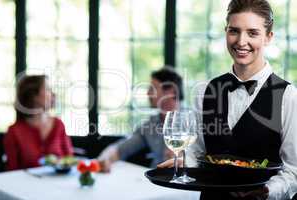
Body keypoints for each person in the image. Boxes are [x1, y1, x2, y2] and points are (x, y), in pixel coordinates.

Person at [158, 0, 297, 199]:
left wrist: (267, 191)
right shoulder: (204, 90)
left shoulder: (288, 96)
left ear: (268, 37)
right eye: (234, 31)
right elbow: (197, 154)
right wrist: (182, 161)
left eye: (252, 33)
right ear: (226, 32)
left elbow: (294, 171)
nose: (241, 41)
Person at [98, 67, 184, 171]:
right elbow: (120, 149)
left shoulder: (193, 125)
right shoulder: (150, 125)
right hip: (154, 181)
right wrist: (104, 159)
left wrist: (185, 161)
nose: (148, 93)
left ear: (171, 91)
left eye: (153, 88)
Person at [4, 75, 73, 170]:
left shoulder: (58, 125)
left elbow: (69, 160)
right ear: (33, 96)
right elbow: (11, 171)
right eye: (48, 89)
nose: (53, 94)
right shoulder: (14, 132)